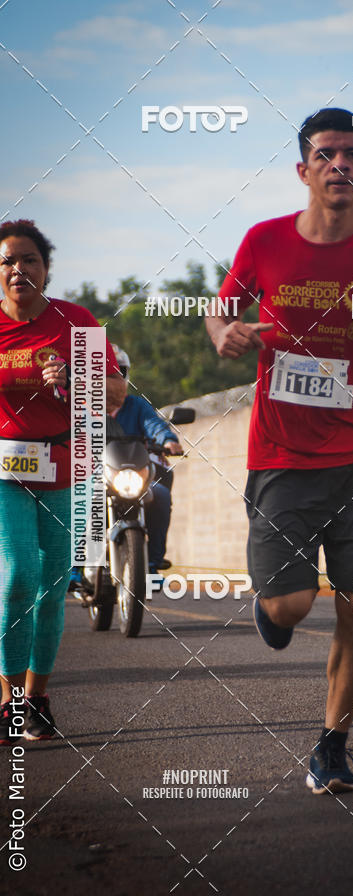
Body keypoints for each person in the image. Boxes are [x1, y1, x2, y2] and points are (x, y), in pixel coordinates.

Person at [206, 108, 353, 794]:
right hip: (282, 455)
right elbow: (220, 309)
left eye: (351, 154)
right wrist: (223, 331)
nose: (338, 164)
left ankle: (332, 744)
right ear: (303, 169)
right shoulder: (265, 241)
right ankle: (272, 602)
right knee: (290, 608)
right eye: (325, 154)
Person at [0, 219, 126, 745]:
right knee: (17, 577)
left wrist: (79, 380)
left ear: (46, 270)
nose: (18, 269)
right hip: (2, 467)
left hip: (60, 461)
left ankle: (39, 698)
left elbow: (116, 393)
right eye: (7, 261)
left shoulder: (74, 322)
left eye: (29, 260)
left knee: (51, 587)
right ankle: (9, 701)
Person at [106, 345, 183, 575]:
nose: (112, 378)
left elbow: (154, 425)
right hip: (96, 477)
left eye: (117, 372)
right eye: (104, 373)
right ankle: (75, 565)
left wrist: (168, 440)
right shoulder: (82, 405)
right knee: (77, 501)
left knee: (160, 495)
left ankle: (153, 563)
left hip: (132, 475)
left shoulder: (137, 406)